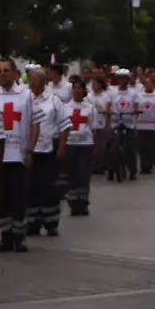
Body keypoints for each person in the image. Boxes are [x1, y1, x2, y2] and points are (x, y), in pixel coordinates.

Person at [0, 57, 35, 253]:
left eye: (6, 71)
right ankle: (5, 235)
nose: (2, 75)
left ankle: (19, 236)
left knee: (19, 198)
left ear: (16, 74)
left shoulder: (27, 96)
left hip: (18, 156)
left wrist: (30, 150)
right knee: (0, 199)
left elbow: (35, 124)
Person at [26, 67, 64, 238]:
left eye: (33, 78)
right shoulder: (25, 98)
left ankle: (50, 222)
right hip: (29, 151)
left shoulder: (54, 100)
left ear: (42, 81)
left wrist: (62, 147)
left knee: (48, 189)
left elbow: (64, 125)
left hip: (48, 149)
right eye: (29, 79)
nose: (30, 82)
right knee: (31, 188)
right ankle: (32, 222)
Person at [62, 78, 97, 216]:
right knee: (72, 175)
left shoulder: (90, 108)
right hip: (70, 144)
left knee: (83, 174)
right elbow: (63, 129)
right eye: (74, 88)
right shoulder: (65, 107)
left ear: (84, 91)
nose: (76, 91)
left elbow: (94, 128)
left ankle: (83, 202)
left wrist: (94, 146)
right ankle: (73, 203)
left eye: (79, 88)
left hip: (85, 144)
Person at [132, 71, 155, 176]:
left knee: (150, 146)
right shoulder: (139, 96)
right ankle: (142, 166)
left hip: (152, 124)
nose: (148, 85)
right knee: (142, 146)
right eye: (146, 83)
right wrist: (134, 121)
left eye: (150, 83)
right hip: (141, 124)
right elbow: (135, 109)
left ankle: (148, 165)